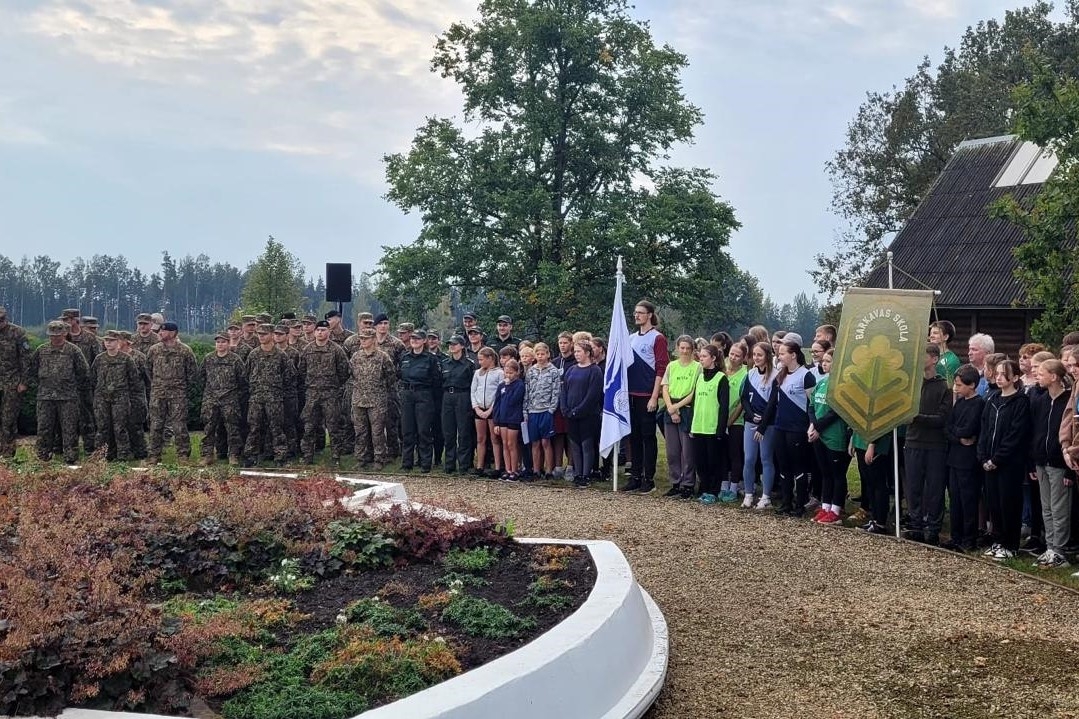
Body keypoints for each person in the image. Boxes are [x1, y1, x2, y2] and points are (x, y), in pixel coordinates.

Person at [978, 359, 1031, 560]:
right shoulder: (992, 400)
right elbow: (984, 429)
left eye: (1003, 374)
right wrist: (983, 456)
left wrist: (997, 458)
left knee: (1008, 502)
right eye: (997, 373)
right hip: (988, 461)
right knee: (994, 503)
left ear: (1015, 378)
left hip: (1008, 464)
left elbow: (1015, 435)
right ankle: (997, 540)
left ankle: (1010, 544)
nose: (998, 377)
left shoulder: (1020, 402)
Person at [758, 333, 815, 517]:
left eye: (783, 353)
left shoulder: (805, 376)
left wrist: (812, 425)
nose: (779, 356)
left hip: (797, 429)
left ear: (794, 355)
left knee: (798, 467)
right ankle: (786, 501)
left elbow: (812, 404)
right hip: (781, 427)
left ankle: (800, 504)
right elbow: (773, 402)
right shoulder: (780, 376)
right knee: (784, 467)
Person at [902, 344, 953, 545]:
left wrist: (916, 417)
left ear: (934, 359)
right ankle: (915, 524)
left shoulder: (944, 386)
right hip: (913, 441)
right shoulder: (912, 383)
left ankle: (933, 527)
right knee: (913, 486)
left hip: (935, 444)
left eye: (923, 355)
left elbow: (941, 418)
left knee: (935, 487)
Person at [27, 321, 90, 464]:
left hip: (68, 397)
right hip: (45, 397)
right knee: (44, 428)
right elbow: (32, 371)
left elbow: (84, 372)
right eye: (52, 335)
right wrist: (42, 386)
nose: (55, 338)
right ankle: (43, 457)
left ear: (64, 334)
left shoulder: (73, 351)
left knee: (69, 429)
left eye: (58, 335)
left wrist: (73, 387)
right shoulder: (41, 350)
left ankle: (71, 458)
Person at [1029, 358, 1071, 568]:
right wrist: (1032, 460)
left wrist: (1070, 471)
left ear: (1054, 377)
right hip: (1040, 460)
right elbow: (1035, 430)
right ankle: (1050, 546)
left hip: (1059, 463)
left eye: (1042, 372)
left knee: (1059, 507)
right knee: (1046, 507)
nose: (1038, 375)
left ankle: (1060, 550)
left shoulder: (1068, 400)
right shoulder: (1041, 400)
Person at [625, 300, 668, 494]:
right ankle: (635, 475)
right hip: (631, 393)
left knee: (648, 437)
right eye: (635, 312)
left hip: (646, 394)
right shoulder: (631, 337)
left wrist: (654, 396)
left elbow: (661, 368)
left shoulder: (657, 338)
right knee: (633, 437)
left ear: (649, 314)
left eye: (640, 313)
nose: (637, 316)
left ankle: (648, 478)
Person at [943, 364, 985, 552]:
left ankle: (969, 538)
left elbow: (970, 429)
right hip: (954, 456)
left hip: (968, 460)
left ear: (972, 385)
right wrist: (959, 437)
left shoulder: (979, 404)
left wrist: (958, 434)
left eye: (959, 385)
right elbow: (948, 426)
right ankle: (956, 535)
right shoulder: (959, 402)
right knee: (955, 499)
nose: (956, 389)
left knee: (968, 499)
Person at [298, 320, 350, 464]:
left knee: (333, 426)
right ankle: (307, 455)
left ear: (329, 332)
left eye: (323, 330)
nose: (320, 332)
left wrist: (333, 386)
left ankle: (335, 457)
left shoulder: (336, 350)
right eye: (318, 330)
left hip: (330, 394)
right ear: (314, 332)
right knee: (309, 426)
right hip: (312, 394)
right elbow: (302, 371)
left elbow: (344, 372)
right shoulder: (307, 350)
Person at [145, 321, 198, 465]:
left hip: (178, 394)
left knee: (179, 426)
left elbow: (192, 373)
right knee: (156, 425)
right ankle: (154, 456)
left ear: (173, 333)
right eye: (160, 331)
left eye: (164, 331)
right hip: (158, 394)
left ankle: (183, 456)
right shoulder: (154, 350)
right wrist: (158, 385)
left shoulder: (185, 351)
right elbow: (148, 370)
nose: (160, 333)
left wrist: (180, 387)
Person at [807, 348, 849, 524]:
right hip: (819, 435)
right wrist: (812, 424)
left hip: (834, 436)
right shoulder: (822, 382)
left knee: (837, 474)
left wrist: (817, 426)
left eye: (828, 361)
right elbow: (811, 405)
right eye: (823, 361)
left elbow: (836, 411)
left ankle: (836, 510)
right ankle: (825, 507)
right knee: (825, 473)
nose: (824, 363)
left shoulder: (843, 384)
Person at [243, 324, 294, 466]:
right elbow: (246, 375)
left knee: (276, 427)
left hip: (275, 399)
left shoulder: (281, 356)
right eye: (259, 334)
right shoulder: (253, 354)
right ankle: (251, 455)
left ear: (272, 335)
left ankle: (280, 456)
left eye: (264, 334)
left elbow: (289, 376)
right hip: (256, 398)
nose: (261, 336)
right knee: (254, 427)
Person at [349, 327, 397, 469]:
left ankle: (379, 459)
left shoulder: (383, 357)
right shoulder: (356, 357)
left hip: (377, 400)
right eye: (361, 338)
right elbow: (350, 374)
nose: (362, 341)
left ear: (373, 339)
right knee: (360, 431)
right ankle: (361, 458)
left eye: (366, 338)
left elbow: (391, 377)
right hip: (358, 399)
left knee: (377, 432)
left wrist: (379, 390)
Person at [88, 330, 139, 462]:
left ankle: (123, 455)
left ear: (118, 342)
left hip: (120, 397)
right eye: (106, 340)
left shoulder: (126, 359)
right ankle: (101, 455)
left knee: (120, 427)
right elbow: (93, 378)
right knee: (102, 427)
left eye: (111, 340)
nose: (108, 343)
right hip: (102, 397)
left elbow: (134, 379)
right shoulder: (99, 359)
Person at [197, 332, 247, 465]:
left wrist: (235, 395)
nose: (220, 344)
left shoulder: (235, 360)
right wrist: (209, 393)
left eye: (223, 342)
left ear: (229, 343)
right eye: (218, 342)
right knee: (209, 428)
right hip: (211, 399)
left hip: (230, 400)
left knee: (232, 429)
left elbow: (242, 380)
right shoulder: (208, 359)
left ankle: (234, 455)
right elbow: (201, 377)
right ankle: (207, 455)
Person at [689, 345, 730, 503]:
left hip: (713, 428)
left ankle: (714, 490)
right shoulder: (699, 377)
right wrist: (692, 424)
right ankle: (703, 488)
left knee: (714, 461)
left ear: (713, 358)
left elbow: (724, 407)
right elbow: (695, 402)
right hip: (699, 426)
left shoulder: (721, 378)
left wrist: (720, 429)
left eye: (705, 356)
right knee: (701, 461)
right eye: (701, 356)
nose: (701, 359)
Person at [660, 335, 700, 498]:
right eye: (682, 348)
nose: (684, 351)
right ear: (677, 348)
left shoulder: (697, 367)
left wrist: (677, 407)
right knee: (672, 451)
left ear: (692, 350)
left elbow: (694, 391)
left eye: (687, 348)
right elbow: (665, 387)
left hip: (687, 408)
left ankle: (688, 484)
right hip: (671, 407)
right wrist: (670, 407)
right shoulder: (672, 366)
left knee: (687, 452)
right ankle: (675, 482)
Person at [559, 341, 603, 488]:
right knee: (575, 444)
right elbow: (564, 390)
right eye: (575, 351)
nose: (576, 354)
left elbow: (593, 395)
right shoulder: (571, 370)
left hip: (588, 415)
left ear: (588, 353)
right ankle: (578, 473)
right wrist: (565, 408)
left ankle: (586, 474)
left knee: (586, 444)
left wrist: (579, 410)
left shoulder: (594, 370)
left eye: (579, 351)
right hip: (570, 414)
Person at [398, 331, 441, 472]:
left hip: (424, 394)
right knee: (407, 430)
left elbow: (436, 381)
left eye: (417, 339)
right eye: (412, 338)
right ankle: (407, 463)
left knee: (423, 430)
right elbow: (399, 375)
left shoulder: (430, 359)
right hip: (407, 394)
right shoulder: (404, 357)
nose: (414, 341)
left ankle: (425, 463)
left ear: (424, 341)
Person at [742, 341, 777, 509]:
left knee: (766, 458)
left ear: (767, 356)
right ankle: (748, 494)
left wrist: (763, 424)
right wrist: (750, 414)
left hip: (768, 424)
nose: (756, 358)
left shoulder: (776, 376)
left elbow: (773, 403)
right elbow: (744, 398)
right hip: (751, 422)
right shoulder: (750, 374)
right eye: (754, 354)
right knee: (749, 459)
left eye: (759, 355)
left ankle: (766, 496)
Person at [524, 342, 561, 479]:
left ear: (548, 354)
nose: (540, 356)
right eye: (538, 354)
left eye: (542, 354)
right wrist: (526, 410)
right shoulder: (531, 371)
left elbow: (556, 391)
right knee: (535, 442)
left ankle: (549, 470)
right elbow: (527, 391)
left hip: (546, 410)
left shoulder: (553, 371)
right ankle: (536, 470)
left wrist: (551, 409)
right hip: (533, 410)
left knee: (546, 441)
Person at [440, 335, 476, 474]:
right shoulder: (445, 363)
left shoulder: (469, 364)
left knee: (463, 432)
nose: (452, 346)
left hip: (463, 396)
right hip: (447, 396)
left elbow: (472, 383)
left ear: (462, 346)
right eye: (450, 344)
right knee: (448, 432)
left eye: (455, 344)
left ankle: (464, 465)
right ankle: (449, 464)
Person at [0, 306, 30, 457]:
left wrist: (24, 382)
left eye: (2, 320)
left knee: (8, 419)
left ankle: (7, 453)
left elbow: (25, 359)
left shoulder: (17, 333)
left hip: (12, 382)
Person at [471, 347, 504, 478]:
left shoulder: (499, 373)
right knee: (480, 438)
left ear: (490, 358)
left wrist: (491, 409)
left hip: (492, 408)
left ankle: (497, 466)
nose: (480, 362)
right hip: (479, 408)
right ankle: (480, 466)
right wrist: (476, 408)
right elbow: (473, 391)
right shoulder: (477, 373)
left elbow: (500, 392)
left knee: (494, 438)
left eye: (482, 359)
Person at [491, 358, 525, 480]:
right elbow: (497, 404)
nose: (508, 375)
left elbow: (514, 400)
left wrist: (508, 387)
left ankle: (514, 470)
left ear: (517, 372)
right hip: (502, 419)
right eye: (506, 372)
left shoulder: (519, 385)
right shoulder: (501, 386)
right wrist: (496, 422)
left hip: (514, 418)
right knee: (504, 444)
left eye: (511, 372)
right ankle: (507, 468)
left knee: (512, 444)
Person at [725, 341, 749, 504]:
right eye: (731, 354)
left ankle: (734, 487)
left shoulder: (746, 373)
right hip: (719, 419)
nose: (733, 358)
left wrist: (730, 421)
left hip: (737, 420)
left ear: (743, 358)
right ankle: (723, 485)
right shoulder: (722, 369)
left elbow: (742, 401)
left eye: (737, 355)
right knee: (722, 455)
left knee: (735, 454)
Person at [929, 320, 961, 384]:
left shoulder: (952, 360)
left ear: (946, 337)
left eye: (935, 333)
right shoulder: (926, 355)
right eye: (931, 333)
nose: (931, 336)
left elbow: (951, 385)